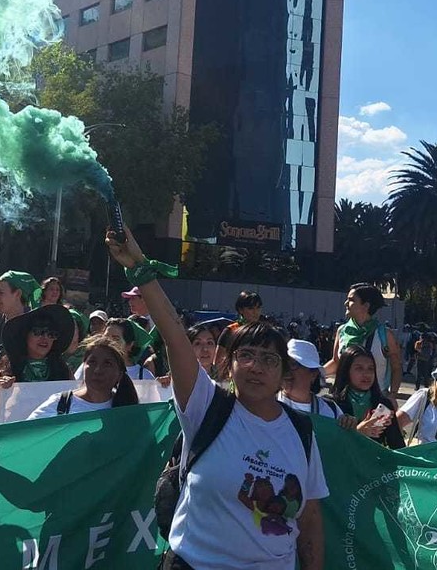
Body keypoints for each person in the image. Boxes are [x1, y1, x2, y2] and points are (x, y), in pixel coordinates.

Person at [107, 227, 326, 570]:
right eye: (247, 355)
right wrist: (139, 266)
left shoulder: (301, 431)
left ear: (285, 373)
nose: (256, 366)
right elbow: (175, 336)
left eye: (269, 359)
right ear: (229, 363)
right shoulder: (207, 406)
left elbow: (309, 518)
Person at [28, 334, 140, 419]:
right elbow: (26, 435)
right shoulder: (61, 404)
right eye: (92, 362)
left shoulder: (128, 410)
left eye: (107, 363)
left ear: (119, 374)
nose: (97, 370)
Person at [326, 283, 402, 402]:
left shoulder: (385, 335)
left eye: (351, 300)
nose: (345, 303)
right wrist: (314, 372)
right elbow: (336, 363)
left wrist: (392, 395)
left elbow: (396, 367)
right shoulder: (342, 331)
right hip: (344, 399)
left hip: (375, 401)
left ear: (365, 306)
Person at [331, 345, 404, 449]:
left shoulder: (383, 404)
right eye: (359, 368)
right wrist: (359, 431)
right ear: (346, 371)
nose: (366, 374)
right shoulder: (332, 404)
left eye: (371, 369)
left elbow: (398, 447)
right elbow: (327, 445)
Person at [0, 304, 74, 388]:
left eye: (51, 334)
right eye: (38, 332)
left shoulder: (63, 369)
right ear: (25, 335)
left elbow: (74, 395)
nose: (45, 338)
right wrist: (1, 387)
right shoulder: (9, 368)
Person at [75, 318, 156, 381]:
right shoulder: (89, 367)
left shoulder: (144, 376)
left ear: (129, 345)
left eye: (115, 339)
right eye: (106, 337)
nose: (109, 343)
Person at [279, 339, 342, 419]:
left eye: (293, 364)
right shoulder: (266, 405)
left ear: (313, 374)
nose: (286, 369)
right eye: (284, 364)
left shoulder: (331, 411)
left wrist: (349, 424)